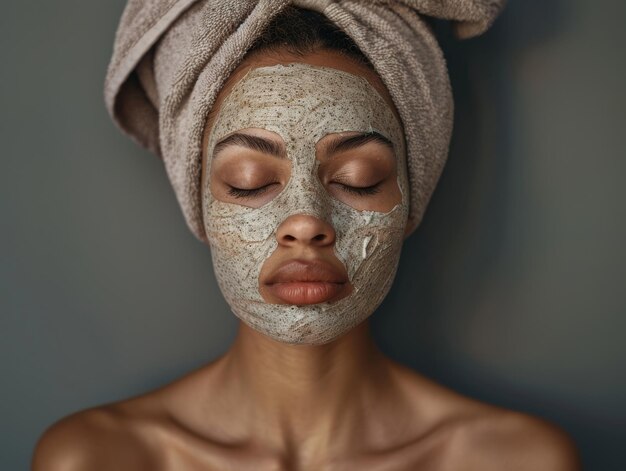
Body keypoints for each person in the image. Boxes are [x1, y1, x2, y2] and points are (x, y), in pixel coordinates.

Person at [33, 3, 580, 470]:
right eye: (249, 183)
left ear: (412, 197)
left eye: (356, 179)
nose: (305, 221)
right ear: (199, 203)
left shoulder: (514, 460)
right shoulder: (95, 458)